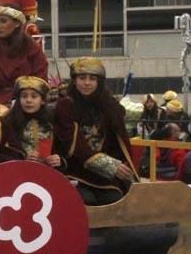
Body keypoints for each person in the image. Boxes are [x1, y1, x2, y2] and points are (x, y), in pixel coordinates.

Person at [55, 58, 137, 205]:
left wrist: (122, 167)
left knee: (114, 199)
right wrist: (111, 165)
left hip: (104, 176)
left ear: (99, 82)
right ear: (74, 80)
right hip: (74, 169)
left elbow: (118, 140)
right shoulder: (65, 105)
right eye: (82, 78)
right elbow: (75, 146)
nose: (87, 83)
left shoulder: (110, 105)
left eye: (92, 78)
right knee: (86, 201)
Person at [0, 0, 49, 110]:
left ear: (17, 23)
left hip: (26, 102)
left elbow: (41, 80)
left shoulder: (33, 49)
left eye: (3, 21)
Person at [0, 75, 62, 170]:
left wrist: (58, 159)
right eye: (24, 96)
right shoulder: (7, 123)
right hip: (18, 172)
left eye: (34, 96)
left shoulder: (53, 121)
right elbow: (2, 153)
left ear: (43, 101)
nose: (28, 100)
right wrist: (23, 158)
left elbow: (63, 150)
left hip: (49, 173)